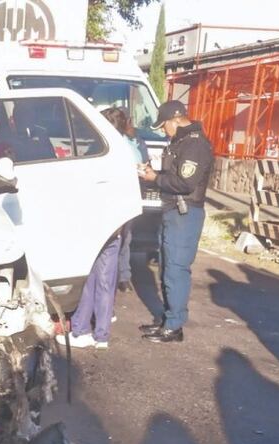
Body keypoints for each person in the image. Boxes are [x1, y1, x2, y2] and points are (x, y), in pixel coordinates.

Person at [56, 108, 139, 350]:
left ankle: (81, 329)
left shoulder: (101, 152)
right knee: (105, 281)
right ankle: (100, 334)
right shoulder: (126, 152)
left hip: (96, 225)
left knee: (90, 279)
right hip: (114, 225)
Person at [138, 100, 213, 344]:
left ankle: (174, 326)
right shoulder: (180, 141)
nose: (163, 131)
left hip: (185, 212)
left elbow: (185, 182)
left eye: (164, 126)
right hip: (173, 211)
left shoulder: (195, 144)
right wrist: (155, 172)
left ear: (175, 119)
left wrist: (154, 178)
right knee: (167, 267)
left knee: (176, 270)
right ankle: (167, 318)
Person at [116, 112, 150, 294]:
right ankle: (118, 276)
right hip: (119, 192)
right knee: (117, 238)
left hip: (133, 190)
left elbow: (144, 159)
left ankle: (123, 275)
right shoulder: (115, 141)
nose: (132, 125)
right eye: (128, 121)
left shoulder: (137, 141)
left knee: (126, 236)